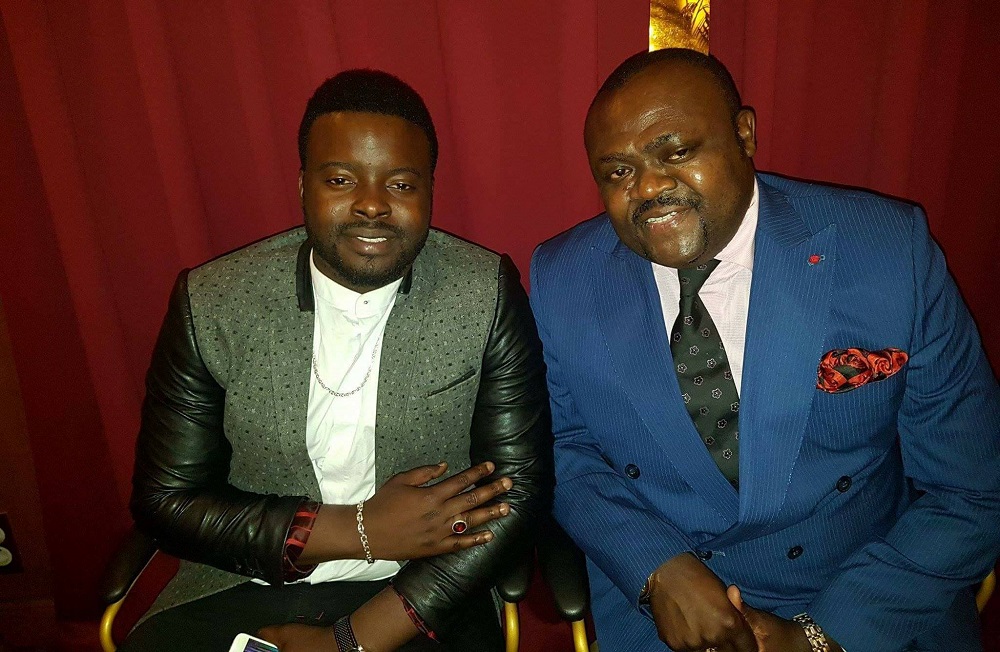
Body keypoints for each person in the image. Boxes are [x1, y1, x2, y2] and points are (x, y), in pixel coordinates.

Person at [528, 48, 1000, 652]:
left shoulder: (888, 254)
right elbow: (563, 446)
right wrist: (655, 568)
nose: (647, 187)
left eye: (677, 152)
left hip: (867, 599)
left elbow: (971, 489)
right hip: (670, 610)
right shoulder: (564, 278)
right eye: (618, 171)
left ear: (744, 134)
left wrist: (821, 636)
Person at [124, 69, 551, 652]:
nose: (372, 205)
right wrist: (357, 530)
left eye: (401, 184)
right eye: (342, 179)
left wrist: (350, 642)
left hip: (417, 594)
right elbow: (166, 500)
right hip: (244, 579)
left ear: (429, 190)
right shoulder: (214, 301)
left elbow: (516, 493)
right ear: (304, 185)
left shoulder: (485, 293)